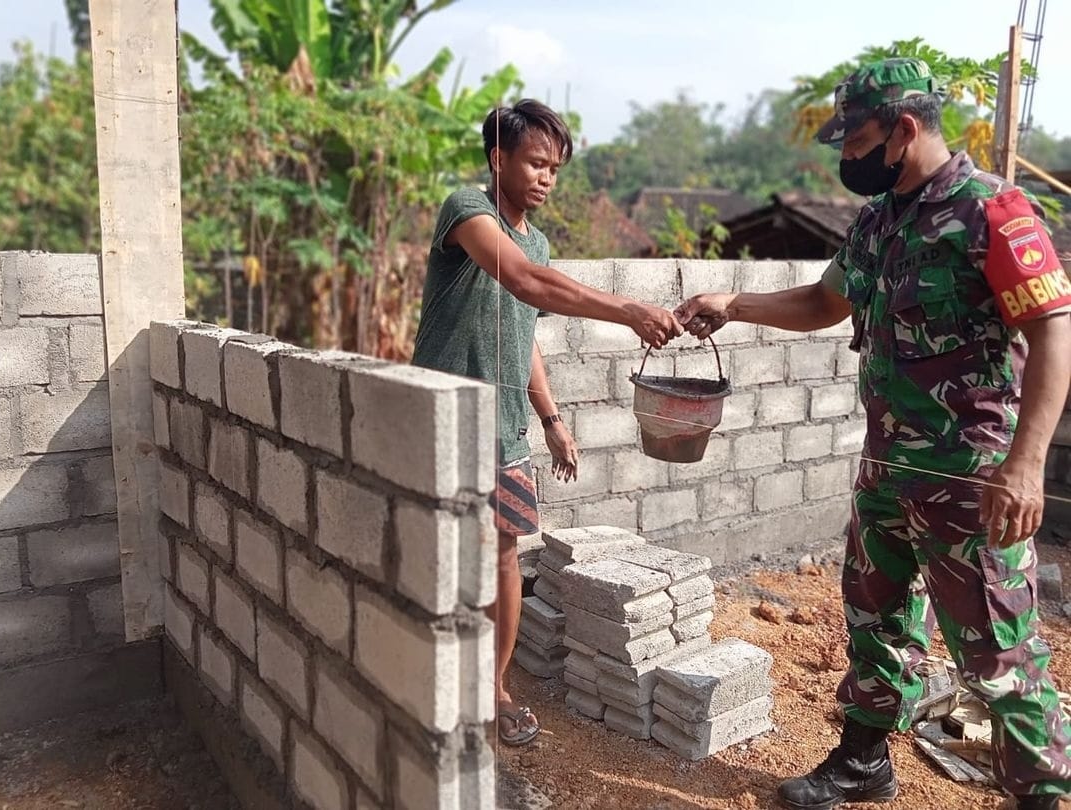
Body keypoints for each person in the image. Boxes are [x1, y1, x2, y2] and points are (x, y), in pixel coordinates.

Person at [675, 58, 1071, 809]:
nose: (845, 157)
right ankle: (863, 761)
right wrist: (735, 303)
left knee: (997, 649)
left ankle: (1043, 794)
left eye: (855, 140)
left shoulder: (994, 211)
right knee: (875, 616)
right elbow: (826, 301)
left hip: (968, 481)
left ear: (905, 129)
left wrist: (1026, 465)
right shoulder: (880, 218)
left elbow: (1054, 330)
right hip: (887, 469)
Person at [412, 98, 682, 747]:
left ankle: (494, 690)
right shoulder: (466, 212)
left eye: (554, 168)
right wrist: (628, 310)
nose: (545, 178)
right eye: (536, 162)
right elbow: (529, 283)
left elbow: (523, 329)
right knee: (438, 558)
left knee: (506, 556)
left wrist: (552, 418)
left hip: (505, 431)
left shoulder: (536, 239)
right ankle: (426, 683)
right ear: (498, 157)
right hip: (442, 426)